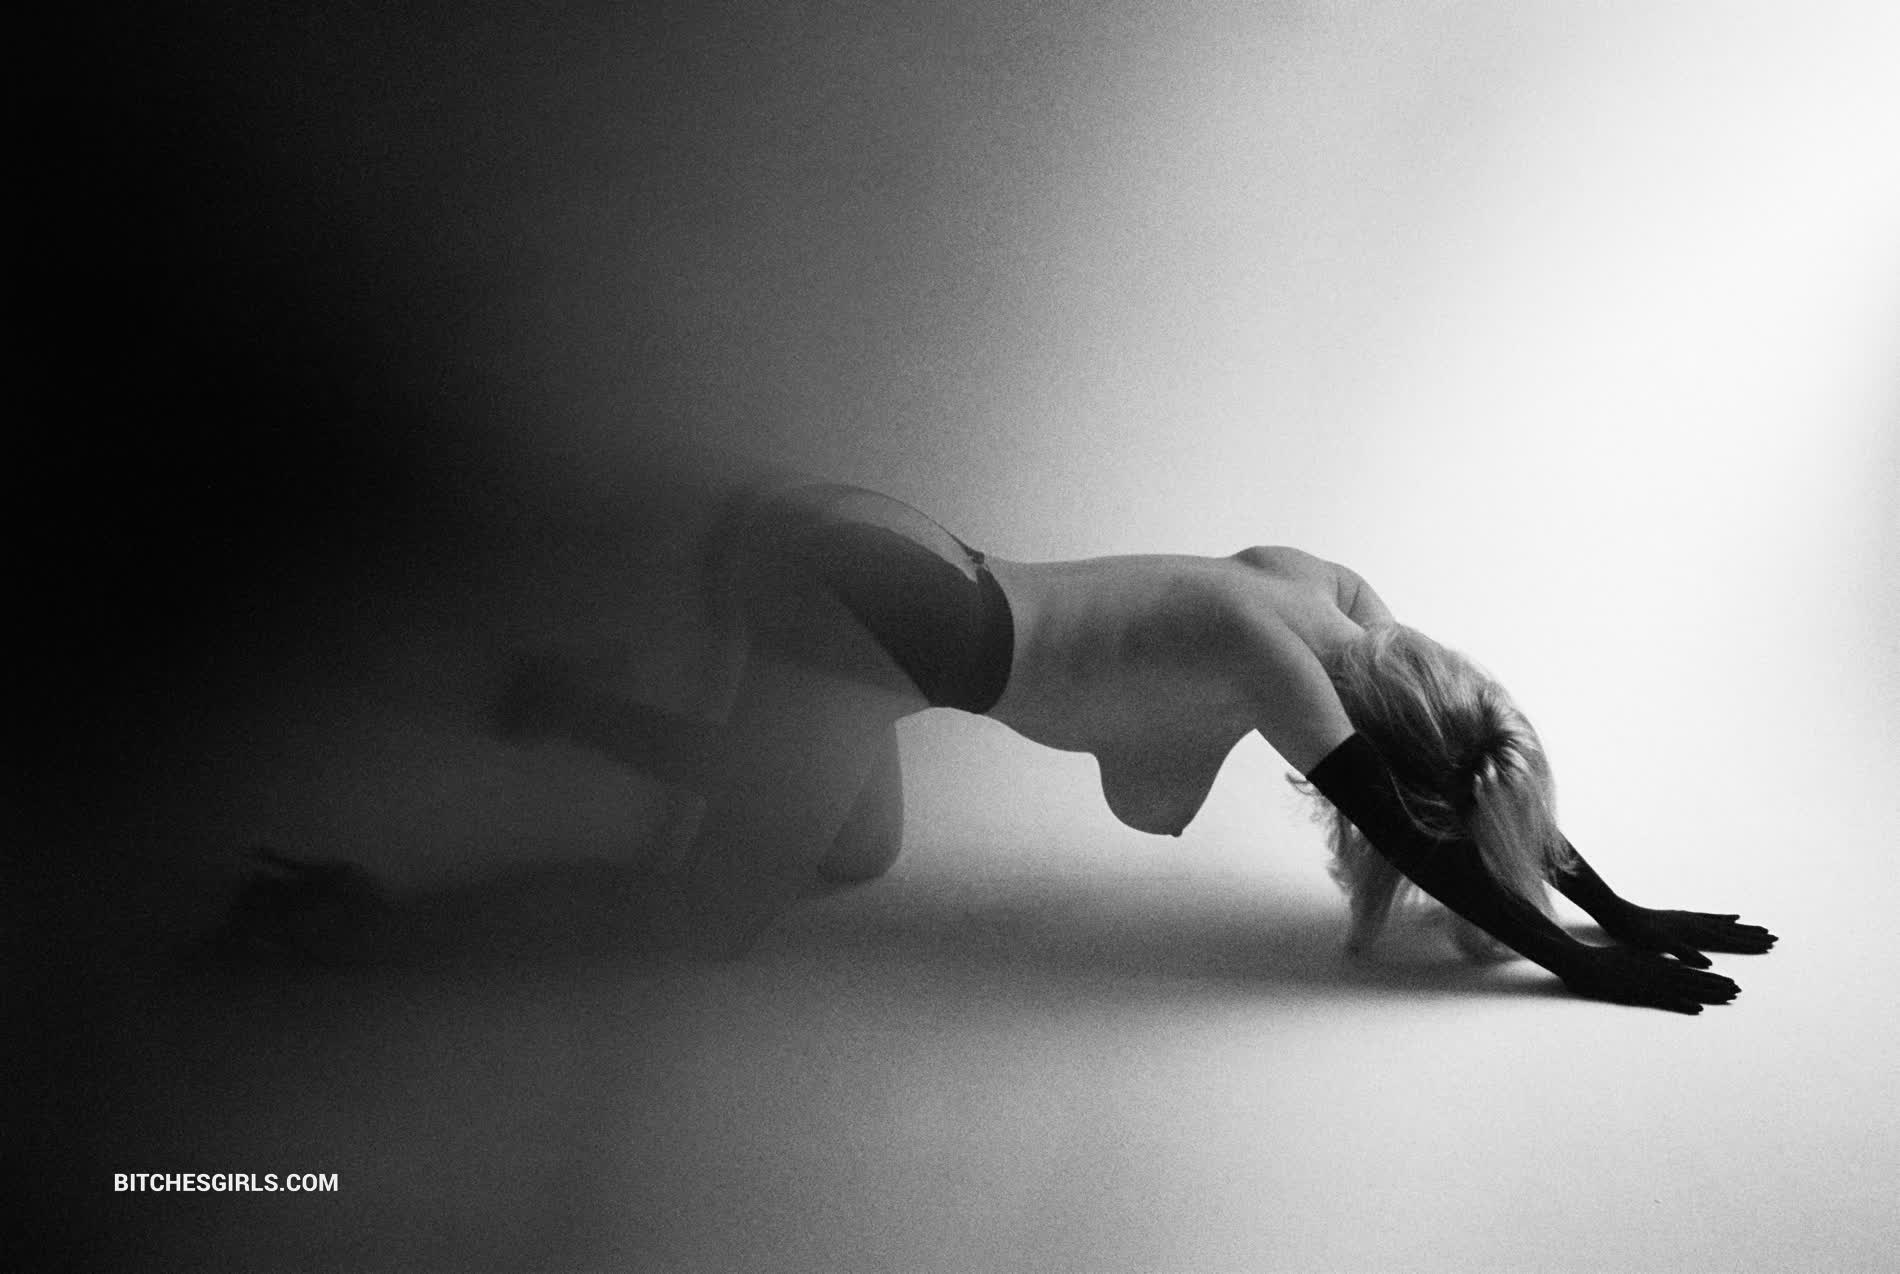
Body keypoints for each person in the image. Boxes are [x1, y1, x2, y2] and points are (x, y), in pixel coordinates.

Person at [222, 472, 1775, 1012]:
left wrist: (1623, 902)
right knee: (703, 920)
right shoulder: (1279, 662)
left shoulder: (1338, 601)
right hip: (874, 616)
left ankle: (572, 708)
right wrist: (1584, 964)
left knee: (855, 849)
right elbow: (1426, 821)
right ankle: (354, 921)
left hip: (900, 578)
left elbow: (1482, 761)